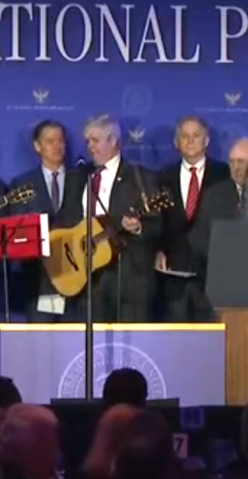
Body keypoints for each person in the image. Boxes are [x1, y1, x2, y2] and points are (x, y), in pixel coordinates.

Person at [55, 115, 161, 323]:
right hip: (85, 280)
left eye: (95, 140)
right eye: (87, 142)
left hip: (128, 279)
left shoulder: (140, 177)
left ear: (112, 140)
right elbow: (65, 220)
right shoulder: (78, 177)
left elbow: (157, 225)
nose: (90, 147)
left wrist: (138, 227)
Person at [155, 117, 238, 322]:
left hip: (211, 276)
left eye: (196, 135)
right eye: (184, 136)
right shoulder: (163, 176)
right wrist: (157, 250)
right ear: (176, 143)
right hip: (174, 277)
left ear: (207, 140)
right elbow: (156, 221)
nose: (190, 141)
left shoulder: (223, 174)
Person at [10, 120, 70, 321]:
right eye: (50, 141)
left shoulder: (81, 179)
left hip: (76, 280)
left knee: (74, 344)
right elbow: (19, 233)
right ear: (37, 146)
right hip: (40, 280)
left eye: (60, 140)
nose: (57, 145)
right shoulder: (22, 184)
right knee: (44, 342)